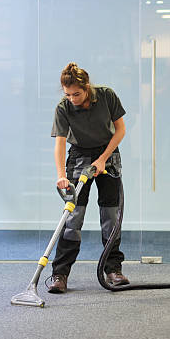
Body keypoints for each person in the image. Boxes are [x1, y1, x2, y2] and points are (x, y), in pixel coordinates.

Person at [48, 62, 129, 293]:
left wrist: (103, 158)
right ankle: (59, 275)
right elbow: (60, 144)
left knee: (111, 216)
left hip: (108, 154)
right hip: (79, 155)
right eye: (68, 94)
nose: (72, 98)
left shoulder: (106, 96)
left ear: (86, 88)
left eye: (76, 93)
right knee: (72, 218)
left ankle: (113, 270)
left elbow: (120, 130)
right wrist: (61, 176)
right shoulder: (63, 108)